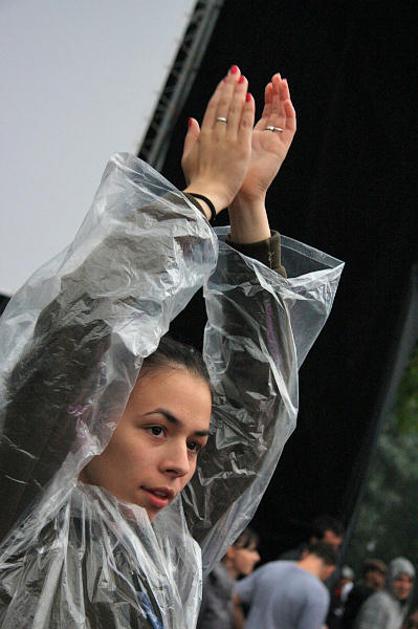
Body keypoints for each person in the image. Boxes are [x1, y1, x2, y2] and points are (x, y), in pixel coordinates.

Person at [0, 66, 343, 627]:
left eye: (196, 444)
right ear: (89, 415)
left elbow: (255, 414)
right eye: (158, 430)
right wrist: (202, 197)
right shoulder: (18, 502)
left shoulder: (166, 542)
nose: (181, 465)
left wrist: (249, 206)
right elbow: (78, 336)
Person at [234, 541, 337, 629]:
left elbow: (233, 597)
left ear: (305, 554)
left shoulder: (271, 568)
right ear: (330, 570)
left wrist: (242, 626)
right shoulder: (318, 593)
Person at [197, 528, 260, 628]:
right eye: (251, 550)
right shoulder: (207, 584)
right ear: (231, 551)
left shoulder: (227, 590)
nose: (257, 557)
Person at [354, 557, 415, 629]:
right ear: (390, 579)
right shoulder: (379, 602)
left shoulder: (396, 604)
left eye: (409, 581)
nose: (404, 586)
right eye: (399, 579)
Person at [342, 558, 388, 629]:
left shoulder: (375, 592)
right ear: (369, 573)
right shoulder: (361, 591)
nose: (381, 578)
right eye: (379, 574)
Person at [280, 514, 345, 560]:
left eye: (338, 546)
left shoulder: (337, 566)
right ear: (314, 541)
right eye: (330, 546)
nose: (334, 551)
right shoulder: (290, 560)